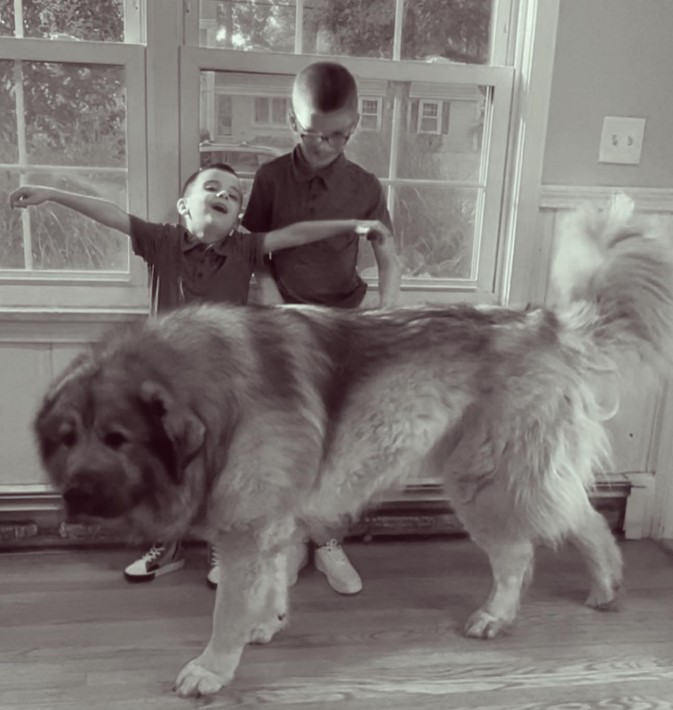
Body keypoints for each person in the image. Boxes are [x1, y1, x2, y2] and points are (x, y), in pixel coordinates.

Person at [10, 162, 393, 588]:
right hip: (159, 384)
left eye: (233, 196)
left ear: (236, 221)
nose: (225, 196)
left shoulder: (245, 249)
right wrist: (51, 192)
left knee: (218, 467)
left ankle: (217, 546)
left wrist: (355, 224)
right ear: (183, 207)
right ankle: (166, 546)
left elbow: (298, 233)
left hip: (218, 384)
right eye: (213, 188)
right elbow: (111, 213)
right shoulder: (162, 241)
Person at [242, 61, 402, 595]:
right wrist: (266, 292)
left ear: (353, 129)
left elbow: (385, 250)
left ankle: (328, 540)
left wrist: (386, 308)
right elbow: (254, 249)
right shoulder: (268, 179)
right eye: (315, 135)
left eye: (340, 136)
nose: (327, 146)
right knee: (287, 439)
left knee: (339, 441)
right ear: (293, 122)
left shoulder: (364, 186)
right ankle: (287, 540)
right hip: (284, 327)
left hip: (345, 325)